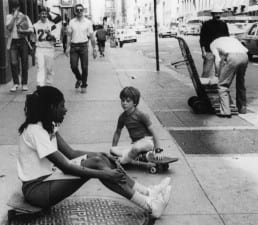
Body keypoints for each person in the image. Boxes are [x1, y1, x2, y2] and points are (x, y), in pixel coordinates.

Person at [17, 86, 171, 219]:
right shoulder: (36, 130)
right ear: (51, 108)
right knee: (98, 165)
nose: (65, 109)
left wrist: (102, 155)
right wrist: (104, 174)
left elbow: (71, 153)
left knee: (101, 158)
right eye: (62, 106)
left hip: (49, 179)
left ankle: (147, 192)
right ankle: (149, 206)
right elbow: (65, 167)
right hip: (37, 190)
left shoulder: (47, 125)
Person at [110, 87, 164, 168]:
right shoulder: (122, 117)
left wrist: (158, 150)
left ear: (134, 102)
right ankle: (141, 157)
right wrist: (114, 148)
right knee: (112, 150)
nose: (124, 103)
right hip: (135, 144)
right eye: (122, 100)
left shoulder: (141, 115)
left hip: (147, 142)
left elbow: (153, 132)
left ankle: (124, 161)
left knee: (135, 148)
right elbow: (117, 132)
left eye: (128, 101)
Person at [210, 36, 248, 117]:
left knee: (222, 85)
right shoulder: (231, 39)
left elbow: (218, 60)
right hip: (245, 56)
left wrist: (217, 74)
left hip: (233, 57)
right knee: (240, 82)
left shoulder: (213, 44)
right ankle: (242, 108)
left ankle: (225, 111)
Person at [65, 4, 97, 94]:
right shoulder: (71, 22)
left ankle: (84, 84)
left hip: (84, 46)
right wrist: (67, 47)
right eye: (77, 10)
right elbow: (68, 36)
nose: (79, 12)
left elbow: (92, 36)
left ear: (83, 11)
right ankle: (79, 78)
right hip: (74, 47)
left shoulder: (88, 22)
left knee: (84, 67)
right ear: (75, 11)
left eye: (81, 10)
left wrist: (94, 49)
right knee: (73, 66)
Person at [6, 0, 33, 92]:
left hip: (23, 41)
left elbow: (31, 29)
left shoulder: (24, 17)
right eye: (13, 6)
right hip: (13, 42)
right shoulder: (9, 16)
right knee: (13, 63)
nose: (15, 8)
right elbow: (9, 28)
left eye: (16, 6)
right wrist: (14, 17)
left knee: (24, 63)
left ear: (19, 7)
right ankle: (15, 83)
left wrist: (23, 31)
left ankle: (24, 84)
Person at [199, 7, 229, 85]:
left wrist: (226, 52)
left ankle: (218, 89)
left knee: (220, 72)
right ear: (212, 14)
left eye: (219, 13)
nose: (218, 15)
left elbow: (226, 39)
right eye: (216, 13)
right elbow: (202, 39)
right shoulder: (206, 24)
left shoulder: (223, 24)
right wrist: (203, 52)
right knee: (206, 71)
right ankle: (203, 89)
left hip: (220, 52)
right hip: (209, 51)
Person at [33, 7, 56, 88]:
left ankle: (49, 83)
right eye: (42, 13)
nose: (44, 15)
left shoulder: (52, 25)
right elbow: (33, 37)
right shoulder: (35, 25)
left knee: (49, 68)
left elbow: (55, 39)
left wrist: (49, 34)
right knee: (40, 66)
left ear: (47, 14)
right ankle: (40, 84)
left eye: (45, 13)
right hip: (40, 48)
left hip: (49, 48)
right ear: (39, 14)